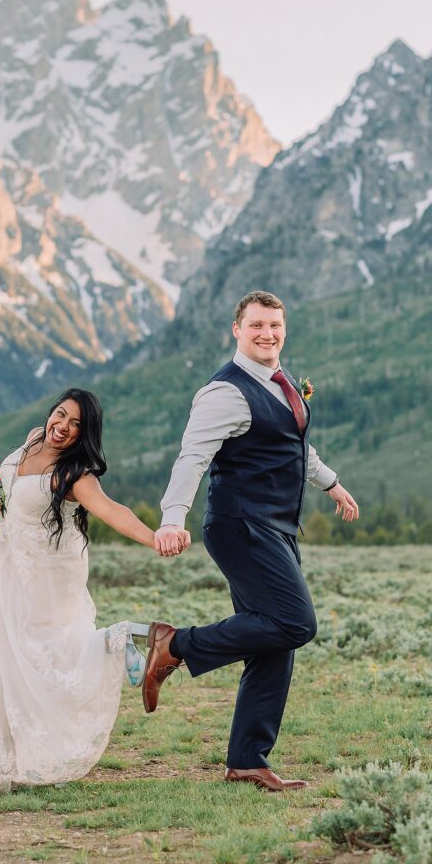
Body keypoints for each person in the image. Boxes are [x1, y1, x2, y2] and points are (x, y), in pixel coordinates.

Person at [0, 388, 186, 796]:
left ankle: (118, 638)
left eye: (75, 425)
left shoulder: (75, 476)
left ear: (84, 434)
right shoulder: (36, 436)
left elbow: (112, 512)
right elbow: (9, 492)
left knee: (46, 652)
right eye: (61, 415)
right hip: (4, 564)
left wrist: (156, 537)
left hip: (45, 572)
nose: (63, 427)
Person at [143, 290, 359, 792]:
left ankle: (247, 760)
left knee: (273, 637)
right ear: (237, 330)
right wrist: (173, 517)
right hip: (241, 526)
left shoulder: (282, 384)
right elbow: (192, 457)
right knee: (295, 622)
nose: (267, 334)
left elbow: (293, 445)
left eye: (275, 326)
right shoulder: (225, 392)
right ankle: (174, 645)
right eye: (257, 325)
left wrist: (332, 484)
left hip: (276, 526)